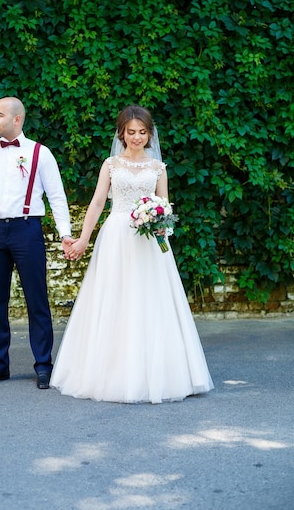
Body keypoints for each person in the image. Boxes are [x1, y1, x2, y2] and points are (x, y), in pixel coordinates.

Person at [51, 105, 214, 403]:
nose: (136, 137)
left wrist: (161, 225)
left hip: (149, 239)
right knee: (114, 298)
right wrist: (84, 238)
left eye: (142, 132)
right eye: (131, 132)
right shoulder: (110, 164)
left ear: (149, 134)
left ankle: (159, 372)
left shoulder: (157, 168)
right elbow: (98, 202)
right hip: (116, 235)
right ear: (122, 134)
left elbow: (164, 204)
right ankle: (110, 372)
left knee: (150, 300)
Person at [0, 97, 73, 388]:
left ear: (17, 119)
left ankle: (43, 366)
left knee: (37, 301)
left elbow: (57, 197)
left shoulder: (40, 153)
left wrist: (64, 234)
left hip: (27, 230)